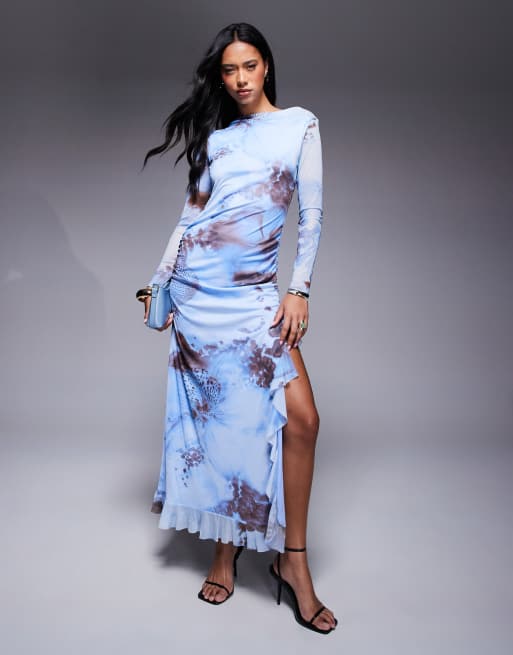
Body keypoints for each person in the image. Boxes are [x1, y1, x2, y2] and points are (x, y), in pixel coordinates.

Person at [137, 22, 338, 634]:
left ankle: (292, 561)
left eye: (249, 66)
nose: (241, 79)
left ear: (266, 66)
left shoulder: (300, 125)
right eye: (230, 70)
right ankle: (225, 554)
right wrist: (160, 285)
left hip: (253, 298)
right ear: (221, 78)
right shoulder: (217, 140)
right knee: (230, 425)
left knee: (302, 420)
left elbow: (312, 213)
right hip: (201, 295)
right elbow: (190, 216)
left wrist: (299, 289)